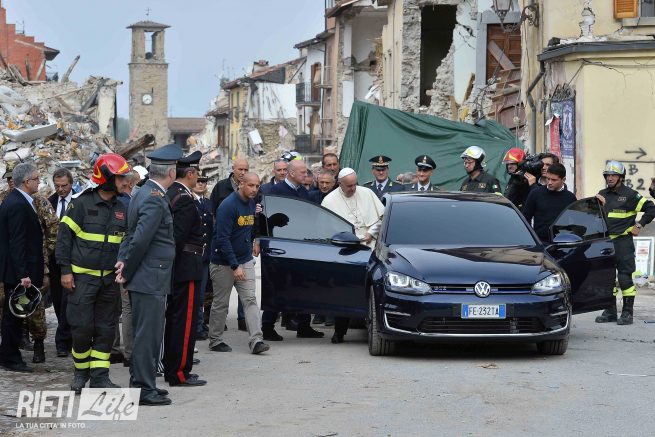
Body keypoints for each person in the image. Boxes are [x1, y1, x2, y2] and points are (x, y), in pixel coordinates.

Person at [56, 154, 130, 392]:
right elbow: (64, 239)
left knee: (106, 330)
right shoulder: (81, 204)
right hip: (82, 281)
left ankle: (100, 376)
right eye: (120, 177)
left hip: (109, 281)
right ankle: (80, 374)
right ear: (107, 178)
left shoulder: (123, 207)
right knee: (81, 329)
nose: (125, 181)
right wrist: (65, 271)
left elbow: (128, 242)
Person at [116, 143, 183, 406]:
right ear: (171, 173)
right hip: (149, 276)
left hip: (146, 275)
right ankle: (144, 388)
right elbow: (141, 239)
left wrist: (123, 262)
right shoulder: (154, 198)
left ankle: (141, 382)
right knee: (148, 335)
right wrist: (127, 270)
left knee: (145, 333)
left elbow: (130, 234)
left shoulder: (143, 192)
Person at [208, 172, 269, 354]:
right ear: (240, 184)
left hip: (244, 259)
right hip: (223, 262)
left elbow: (249, 228)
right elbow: (222, 239)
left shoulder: (251, 203)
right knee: (221, 303)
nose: (254, 189)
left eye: (257, 186)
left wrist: (255, 240)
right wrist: (234, 265)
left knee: (250, 300)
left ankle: (256, 340)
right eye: (250, 185)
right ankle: (215, 340)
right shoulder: (228, 206)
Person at [321, 168, 384, 343]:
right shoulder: (329, 201)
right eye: (349, 186)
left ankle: (374, 329)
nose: (353, 188)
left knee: (371, 290)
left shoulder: (367, 193)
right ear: (340, 184)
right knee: (345, 292)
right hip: (346, 250)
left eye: (355, 184)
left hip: (369, 246)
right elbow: (327, 230)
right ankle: (339, 332)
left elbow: (381, 218)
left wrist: (371, 233)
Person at [264, 160, 324, 340]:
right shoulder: (276, 191)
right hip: (281, 248)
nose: (306, 175)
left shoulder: (303, 192)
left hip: (301, 247)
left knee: (303, 286)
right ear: (291, 173)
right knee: (277, 287)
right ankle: (267, 326)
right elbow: (267, 220)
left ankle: (304, 325)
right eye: (302, 172)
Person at [163, 151, 206, 387]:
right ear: (190, 174)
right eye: (196, 172)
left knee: (177, 319)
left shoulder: (174, 193)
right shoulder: (184, 199)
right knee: (184, 321)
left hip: (182, 267)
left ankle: (175, 368)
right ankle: (179, 372)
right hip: (186, 267)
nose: (198, 177)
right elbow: (177, 238)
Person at [594, 161, 655, 325]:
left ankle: (627, 313)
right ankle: (610, 311)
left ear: (621, 177)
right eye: (608, 175)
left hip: (623, 241)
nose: (610, 178)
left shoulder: (630, 195)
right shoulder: (601, 194)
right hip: (605, 242)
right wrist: (595, 204)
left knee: (624, 277)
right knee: (606, 277)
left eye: (614, 175)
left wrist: (639, 225)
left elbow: (651, 208)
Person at [0, 163, 44, 373]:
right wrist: (23, 274)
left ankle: (8, 353)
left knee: (15, 315)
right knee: (14, 315)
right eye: (36, 179)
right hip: (18, 273)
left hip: (17, 270)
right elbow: (17, 242)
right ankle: (10, 357)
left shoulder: (18, 200)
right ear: (27, 182)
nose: (39, 182)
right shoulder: (17, 204)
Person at [206, 158, 248, 329]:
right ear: (233, 169)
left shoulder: (250, 188)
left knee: (247, 294)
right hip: (223, 243)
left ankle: (243, 320)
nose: (243, 173)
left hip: (242, 246)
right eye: (240, 169)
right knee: (221, 294)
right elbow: (212, 213)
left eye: (246, 169)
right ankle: (218, 326)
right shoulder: (221, 187)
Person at [112, 169, 140, 366]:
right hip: (124, 262)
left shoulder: (113, 202)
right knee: (128, 307)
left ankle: (113, 348)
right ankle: (130, 353)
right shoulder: (129, 204)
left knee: (112, 308)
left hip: (111, 261)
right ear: (130, 184)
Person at [27, 190, 59, 363]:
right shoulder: (6, 199)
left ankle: (38, 342)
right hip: (12, 260)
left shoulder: (40, 202)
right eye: (8, 179)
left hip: (36, 259)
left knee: (35, 304)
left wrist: (46, 252)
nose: (10, 182)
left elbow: (53, 228)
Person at [48, 168, 74, 357]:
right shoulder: (50, 202)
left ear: (71, 183)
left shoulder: (79, 201)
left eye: (64, 186)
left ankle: (64, 340)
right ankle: (65, 335)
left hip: (73, 258)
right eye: (57, 186)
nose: (60, 190)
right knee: (58, 300)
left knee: (68, 299)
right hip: (54, 259)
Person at [521, 163, 577, 243]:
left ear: (563, 179)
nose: (550, 182)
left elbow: (576, 222)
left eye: (554, 180)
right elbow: (526, 218)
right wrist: (531, 238)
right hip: (540, 242)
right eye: (548, 179)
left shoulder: (570, 197)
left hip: (562, 243)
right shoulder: (536, 194)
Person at [193, 170, 214, 340]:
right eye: (198, 181)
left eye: (204, 182)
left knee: (202, 294)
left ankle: (200, 324)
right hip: (193, 254)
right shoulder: (189, 201)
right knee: (196, 295)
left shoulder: (208, 203)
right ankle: (197, 326)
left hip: (206, 255)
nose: (201, 184)